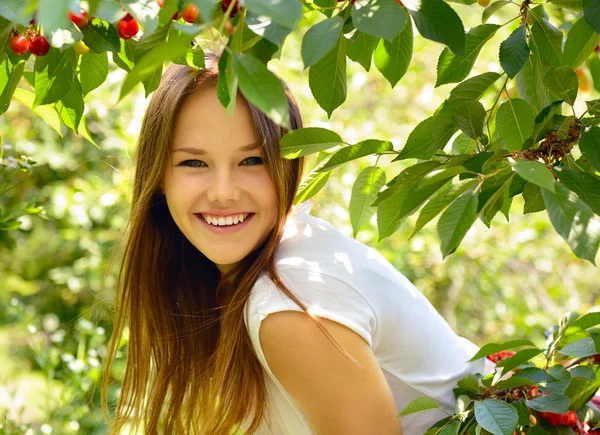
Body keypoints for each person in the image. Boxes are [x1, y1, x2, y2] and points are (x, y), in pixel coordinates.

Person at [101, 51, 495, 435]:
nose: (223, 192)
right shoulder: (270, 262)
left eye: (252, 160)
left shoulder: (290, 304)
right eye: (194, 163)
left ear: (289, 163)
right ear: (157, 176)